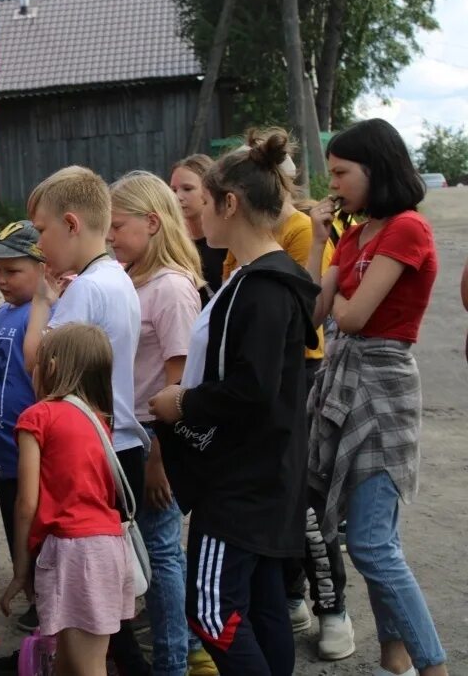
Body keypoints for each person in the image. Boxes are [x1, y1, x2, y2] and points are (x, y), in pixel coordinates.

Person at [149, 128, 320, 675]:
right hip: (260, 477)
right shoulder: (252, 279)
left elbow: (253, 389)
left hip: (242, 486)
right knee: (264, 606)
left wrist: (183, 404)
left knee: (211, 611)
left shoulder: (264, 289)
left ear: (231, 203)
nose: (194, 215)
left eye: (203, 203)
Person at [306, 118, 447, 676]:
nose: (334, 184)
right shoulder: (354, 234)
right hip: (345, 378)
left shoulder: (407, 228)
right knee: (374, 540)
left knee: (370, 546)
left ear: (376, 168)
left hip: (383, 382)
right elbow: (317, 315)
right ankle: (397, 661)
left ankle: (431, 666)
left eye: (342, 172)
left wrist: (339, 290)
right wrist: (321, 242)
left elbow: (356, 316)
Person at [220, 146, 355, 655]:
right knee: (279, 495)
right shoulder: (242, 239)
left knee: (302, 496)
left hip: (301, 363)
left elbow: (301, 305)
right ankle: (290, 594)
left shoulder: (295, 230)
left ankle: (332, 605)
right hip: (270, 364)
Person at [22, 165, 149, 676]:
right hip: (117, 448)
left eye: (42, 232)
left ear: (72, 224)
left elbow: (39, 367)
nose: (39, 247)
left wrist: (40, 303)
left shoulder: (83, 292)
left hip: (88, 456)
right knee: (105, 617)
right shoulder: (117, 279)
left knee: (88, 617)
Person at [107, 171, 216, 676]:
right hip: (129, 435)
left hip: (155, 436)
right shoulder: (131, 280)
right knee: (142, 549)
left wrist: (160, 460)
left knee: (162, 551)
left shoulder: (171, 288)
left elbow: (180, 385)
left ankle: (174, 660)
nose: (109, 236)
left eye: (118, 225)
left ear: (152, 223)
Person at [0, 323, 134, 676]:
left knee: (87, 666)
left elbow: (26, 502)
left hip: (74, 551)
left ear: (53, 367)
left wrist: (21, 568)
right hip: (108, 546)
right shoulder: (97, 419)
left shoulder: (38, 416)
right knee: (72, 661)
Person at [0, 221, 45, 637]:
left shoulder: (42, 315)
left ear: (42, 268)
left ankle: (43, 605)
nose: (2, 279)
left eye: (13, 271)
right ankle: (33, 595)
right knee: (14, 529)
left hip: (30, 453)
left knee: (34, 532)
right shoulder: (0, 313)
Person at [170, 155, 226, 294]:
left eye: (187, 189)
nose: (178, 197)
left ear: (209, 190)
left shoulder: (226, 242)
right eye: (173, 190)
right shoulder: (173, 243)